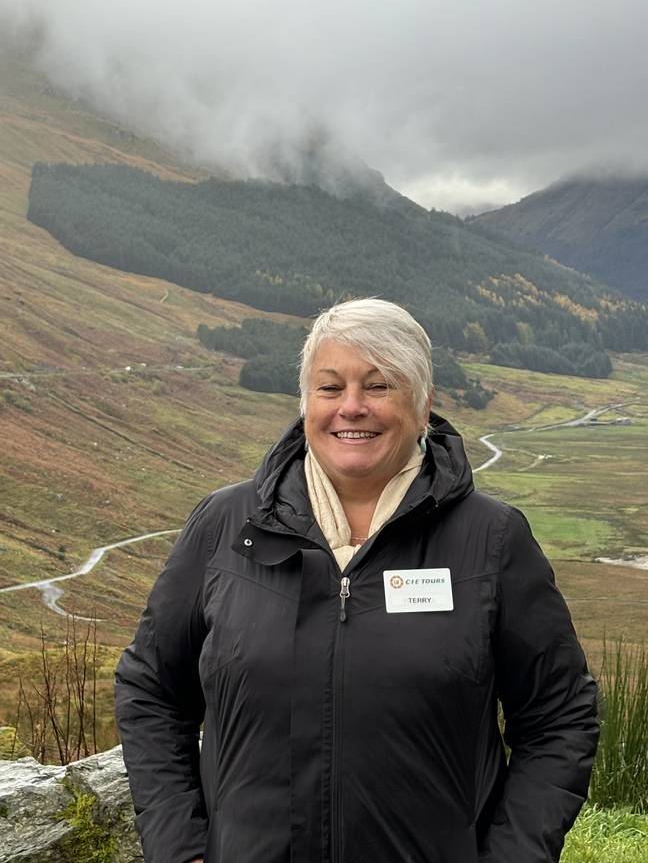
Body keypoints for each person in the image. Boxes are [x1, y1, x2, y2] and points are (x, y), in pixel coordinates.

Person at [115, 297, 598, 863]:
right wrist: (179, 846)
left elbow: (559, 716)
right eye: (329, 387)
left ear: (423, 407)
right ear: (304, 403)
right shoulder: (225, 525)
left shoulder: (491, 539)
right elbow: (151, 688)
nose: (351, 407)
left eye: (378, 386)